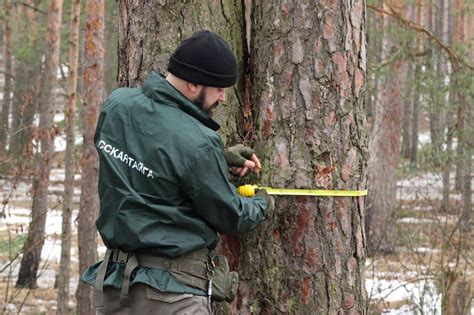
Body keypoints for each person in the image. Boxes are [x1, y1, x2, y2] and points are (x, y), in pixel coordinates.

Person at [80, 30, 272, 314]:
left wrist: (216, 157)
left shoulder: (117, 105)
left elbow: (148, 152)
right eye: (219, 88)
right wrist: (261, 202)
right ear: (194, 83)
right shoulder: (197, 142)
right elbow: (231, 215)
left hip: (113, 289)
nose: (223, 98)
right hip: (171, 296)